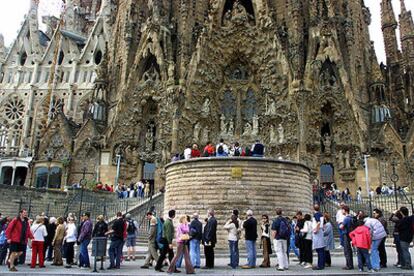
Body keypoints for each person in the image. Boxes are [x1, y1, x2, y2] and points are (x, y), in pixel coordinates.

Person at [340, 206, 354, 270]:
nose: (341, 211)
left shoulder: (346, 218)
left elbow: (341, 227)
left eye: (342, 210)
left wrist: (341, 224)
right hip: (349, 234)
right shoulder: (351, 217)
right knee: (349, 250)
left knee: (347, 251)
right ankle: (350, 264)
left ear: (345, 210)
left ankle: (349, 265)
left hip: (346, 234)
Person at [312, 204, 325, 270]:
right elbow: (323, 224)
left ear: (313, 209)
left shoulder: (316, 214)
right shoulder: (321, 214)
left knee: (319, 249)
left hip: (318, 232)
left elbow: (319, 222)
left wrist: (315, 230)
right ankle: (322, 264)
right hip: (321, 231)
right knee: (321, 249)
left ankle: (320, 265)